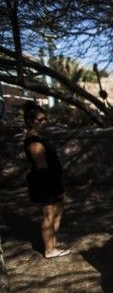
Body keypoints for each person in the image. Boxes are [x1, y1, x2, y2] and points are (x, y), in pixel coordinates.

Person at [23, 101, 70, 259]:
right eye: (40, 120)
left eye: (45, 119)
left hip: (51, 181)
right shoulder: (34, 143)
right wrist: (55, 188)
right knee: (49, 215)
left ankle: (53, 244)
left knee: (57, 213)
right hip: (46, 183)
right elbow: (42, 168)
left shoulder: (38, 138)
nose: (44, 123)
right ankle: (49, 250)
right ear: (30, 121)